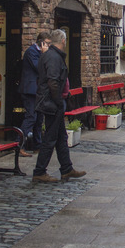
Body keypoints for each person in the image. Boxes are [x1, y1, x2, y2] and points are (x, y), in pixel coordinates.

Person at [32, 29, 86, 183]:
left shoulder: (51, 55)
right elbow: (53, 82)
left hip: (52, 102)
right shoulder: (54, 57)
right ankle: (39, 171)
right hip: (52, 103)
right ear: (63, 41)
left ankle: (66, 169)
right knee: (50, 137)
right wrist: (58, 102)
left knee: (61, 137)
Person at [18, 31, 51, 156]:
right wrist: (44, 54)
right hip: (30, 90)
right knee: (31, 117)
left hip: (38, 90)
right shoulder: (31, 52)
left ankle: (37, 145)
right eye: (47, 43)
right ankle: (19, 144)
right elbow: (39, 68)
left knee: (39, 118)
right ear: (41, 42)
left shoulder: (40, 53)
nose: (48, 46)